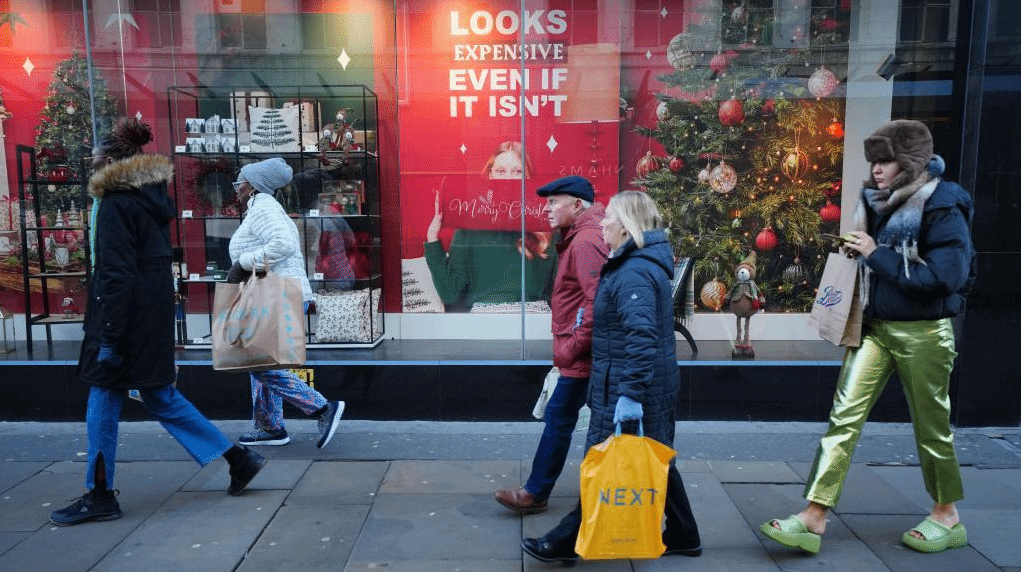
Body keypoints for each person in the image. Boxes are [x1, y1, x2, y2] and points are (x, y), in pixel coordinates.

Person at [759, 120, 976, 555]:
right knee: (843, 418)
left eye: (887, 160)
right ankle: (813, 516)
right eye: (874, 160)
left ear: (910, 162)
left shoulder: (942, 205)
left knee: (931, 427)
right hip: (874, 327)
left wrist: (876, 254)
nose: (876, 169)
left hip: (923, 332)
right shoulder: (876, 202)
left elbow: (947, 278)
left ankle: (947, 516)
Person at [50, 118, 266, 527]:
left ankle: (99, 494)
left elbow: (114, 273)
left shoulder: (114, 202)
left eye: (94, 156)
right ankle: (238, 459)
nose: (90, 161)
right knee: (158, 396)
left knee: (102, 399)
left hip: (121, 320)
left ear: (111, 160)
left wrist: (111, 338)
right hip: (148, 315)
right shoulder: (148, 197)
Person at [521, 190, 702, 564]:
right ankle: (684, 534)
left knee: (601, 464)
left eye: (609, 219)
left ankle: (566, 541)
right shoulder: (635, 263)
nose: (602, 224)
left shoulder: (634, 271)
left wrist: (630, 395)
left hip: (629, 387)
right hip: (640, 384)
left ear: (626, 225)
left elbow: (641, 336)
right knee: (656, 457)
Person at [493, 175, 608, 513]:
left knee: (562, 417)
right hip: (582, 353)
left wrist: (571, 347)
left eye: (554, 201)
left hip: (582, 354)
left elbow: (597, 304)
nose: (547, 208)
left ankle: (537, 493)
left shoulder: (586, 240)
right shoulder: (583, 235)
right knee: (573, 419)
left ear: (577, 205)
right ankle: (542, 492)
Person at [227, 157, 345, 448]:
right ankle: (269, 427)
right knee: (265, 362)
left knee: (256, 362)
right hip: (276, 293)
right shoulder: (263, 207)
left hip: (276, 294)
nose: (236, 189)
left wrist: (242, 264)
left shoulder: (264, 207)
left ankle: (321, 407)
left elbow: (283, 245)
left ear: (252, 185)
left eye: (239, 182)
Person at [425, 141, 557, 312]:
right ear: (489, 176)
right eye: (500, 171)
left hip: (534, 326)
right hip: (485, 326)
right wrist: (432, 239)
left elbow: (561, 295)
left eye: (518, 172)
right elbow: (450, 294)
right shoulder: (467, 231)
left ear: (529, 178)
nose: (509, 179)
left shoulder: (546, 232)